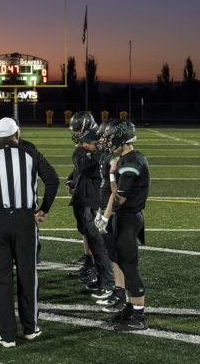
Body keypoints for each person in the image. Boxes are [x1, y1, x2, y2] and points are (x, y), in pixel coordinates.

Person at [0, 117, 59, 347]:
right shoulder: (31, 154)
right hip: (26, 220)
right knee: (28, 275)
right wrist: (43, 209)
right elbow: (53, 180)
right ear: (18, 133)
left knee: (1, 278)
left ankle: (6, 334)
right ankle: (30, 328)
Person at [95, 120, 150, 331]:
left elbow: (119, 198)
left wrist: (111, 175)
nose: (108, 143)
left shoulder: (131, 162)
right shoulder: (126, 158)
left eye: (110, 138)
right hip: (123, 219)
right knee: (123, 262)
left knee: (130, 266)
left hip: (128, 218)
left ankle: (139, 316)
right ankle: (129, 307)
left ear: (120, 137)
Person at [70, 121, 115, 300]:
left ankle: (108, 285)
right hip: (91, 202)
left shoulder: (104, 157)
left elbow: (84, 166)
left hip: (97, 205)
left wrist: (92, 153)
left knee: (101, 247)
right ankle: (103, 280)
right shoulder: (100, 155)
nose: (82, 145)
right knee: (97, 247)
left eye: (86, 143)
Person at [66, 111, 98, 283]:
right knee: (85, 230)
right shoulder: (85, 141)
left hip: (92, 192)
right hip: (83, 190)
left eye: (78, 129)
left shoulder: (96, 141)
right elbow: (80, 167)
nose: (75, 133)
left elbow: (88, 166)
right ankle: (89, 261)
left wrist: (78, 153)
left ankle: (95, 267)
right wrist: (71, 178)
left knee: (92, 231)